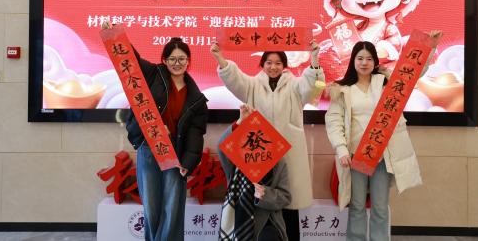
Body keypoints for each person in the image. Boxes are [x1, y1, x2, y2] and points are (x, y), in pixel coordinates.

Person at [325, 35, 440, 241]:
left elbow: (414, 72)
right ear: (353, 61)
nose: (364, 63)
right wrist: (341, 149)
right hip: (356, 156)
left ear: (375, 62)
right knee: (357, 205)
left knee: (380, 205)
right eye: (360, 58)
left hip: (382, 155)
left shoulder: (387, 83)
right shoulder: (341, 89)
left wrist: (428, 45)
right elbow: (334, 121)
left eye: (369, 59)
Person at [101, 22, 208, 241]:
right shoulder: (153, 74)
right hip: (150, 147)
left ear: (188, 61)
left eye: (182, 59)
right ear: (164, 60)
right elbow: (131, 61)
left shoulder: (196, 97)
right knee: (151, 206)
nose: (177, 63)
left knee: (173, 207)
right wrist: (114, 35)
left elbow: (196, 132)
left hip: (177, 154)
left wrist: (188, 163)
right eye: (172, 59)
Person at [210, 41, 324, 241]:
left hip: (289, 155)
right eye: (269, 62)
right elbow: (234, 79)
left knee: (289, 204)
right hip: (259, 156)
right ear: (262, 64)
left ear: (284, 65)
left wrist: (314, 59)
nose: (273, 67)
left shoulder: (295, 85)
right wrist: (220, 58)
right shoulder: (252, 85)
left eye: (278, 63)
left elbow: (313, 87)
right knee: (259, 207)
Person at [218, 104, 292, 241]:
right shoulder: (235, 161)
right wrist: (240, 122)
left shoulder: (279, 162)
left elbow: (286, 197)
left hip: (267, 222)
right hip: (236, 217)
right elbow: (221, 147)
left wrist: (265, 194)